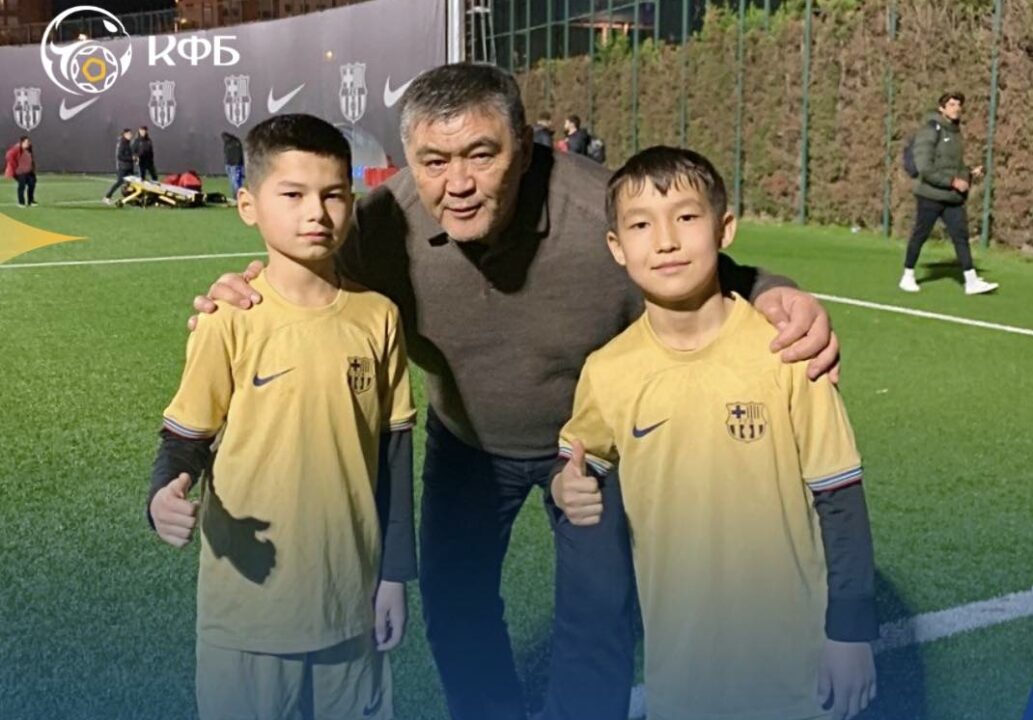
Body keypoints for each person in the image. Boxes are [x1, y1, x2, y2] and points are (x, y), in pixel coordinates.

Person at [188, 64, 840, 720]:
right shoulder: (378, 226)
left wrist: (775, 292)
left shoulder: (598, 210)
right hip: (465, 442)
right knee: (455, 607)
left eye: (482, 154)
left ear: (524, 148)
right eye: (434, 161)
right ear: (409, 160)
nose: (458, 184)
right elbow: (301, 279)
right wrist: (240, 292)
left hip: (589, 449)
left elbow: (703, 264)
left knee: (599, 613)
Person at [553, 146, 877, 720]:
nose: (665, 241)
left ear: (724, 228)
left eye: (686, 216)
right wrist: (566, 489)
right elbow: (580, 465)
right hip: (680, 670)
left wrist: (850, 633)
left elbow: (839, 495)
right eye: (641, 225)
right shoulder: (607, 370)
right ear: (617, 247)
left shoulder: (787, 352)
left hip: (796, 665)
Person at [147, 114, 416, 719]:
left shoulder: (378, 317)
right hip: (248, 609)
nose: (316, 213)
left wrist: (394, 575)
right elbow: (185, 437)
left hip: (349, 603)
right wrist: (161, 495)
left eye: (333, 195)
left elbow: (394, 456)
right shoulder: (228, 317)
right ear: (248, 205)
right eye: (292, 195)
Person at [899, 92, 998, 295]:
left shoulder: (955, 132)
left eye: (959, 104)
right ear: (941, 108)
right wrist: (952, 182)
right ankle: (907, 275)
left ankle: (971, 281)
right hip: (930, 195)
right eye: (951, 104)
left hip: (952, 197)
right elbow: (925, 167)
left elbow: (952, 166)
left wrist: (969, 173)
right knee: (920, 234)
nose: (956, 108)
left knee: (961, 237)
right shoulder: (930, 130)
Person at [103, 128, 135, 205]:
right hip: (123, 167)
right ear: (125, 134)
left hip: (129, 167)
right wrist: (131, 158)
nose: (130, 135)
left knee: (131, 183)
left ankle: (128, 198)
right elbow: (120, 156)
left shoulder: (128, 143)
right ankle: (107, 197)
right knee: (119, 182)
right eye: (129, 134)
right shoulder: (122, 143)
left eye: (131, 134)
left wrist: (134, 158)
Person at [4, 136, 38, 207]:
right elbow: (8, 156)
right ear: (22, 142)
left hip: (28, 171)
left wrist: (32, 168)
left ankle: (31, 201)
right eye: (26, 142)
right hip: (19, 172)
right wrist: (15, 167)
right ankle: (21, 202)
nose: (28, 143)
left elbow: (30, 158)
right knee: (22, 185)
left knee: (32, 184)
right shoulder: (16, 148)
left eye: (28, 142)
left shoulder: (29, 148)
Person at [222, 131, 246, 200]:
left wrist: (238, 163)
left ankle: (238, 195)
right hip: (230, 164)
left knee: (235, 181)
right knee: (233, 181)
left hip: (234, 164)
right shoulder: (229, 143)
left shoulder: (235, 143)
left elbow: (238, 154)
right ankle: (235, 195)